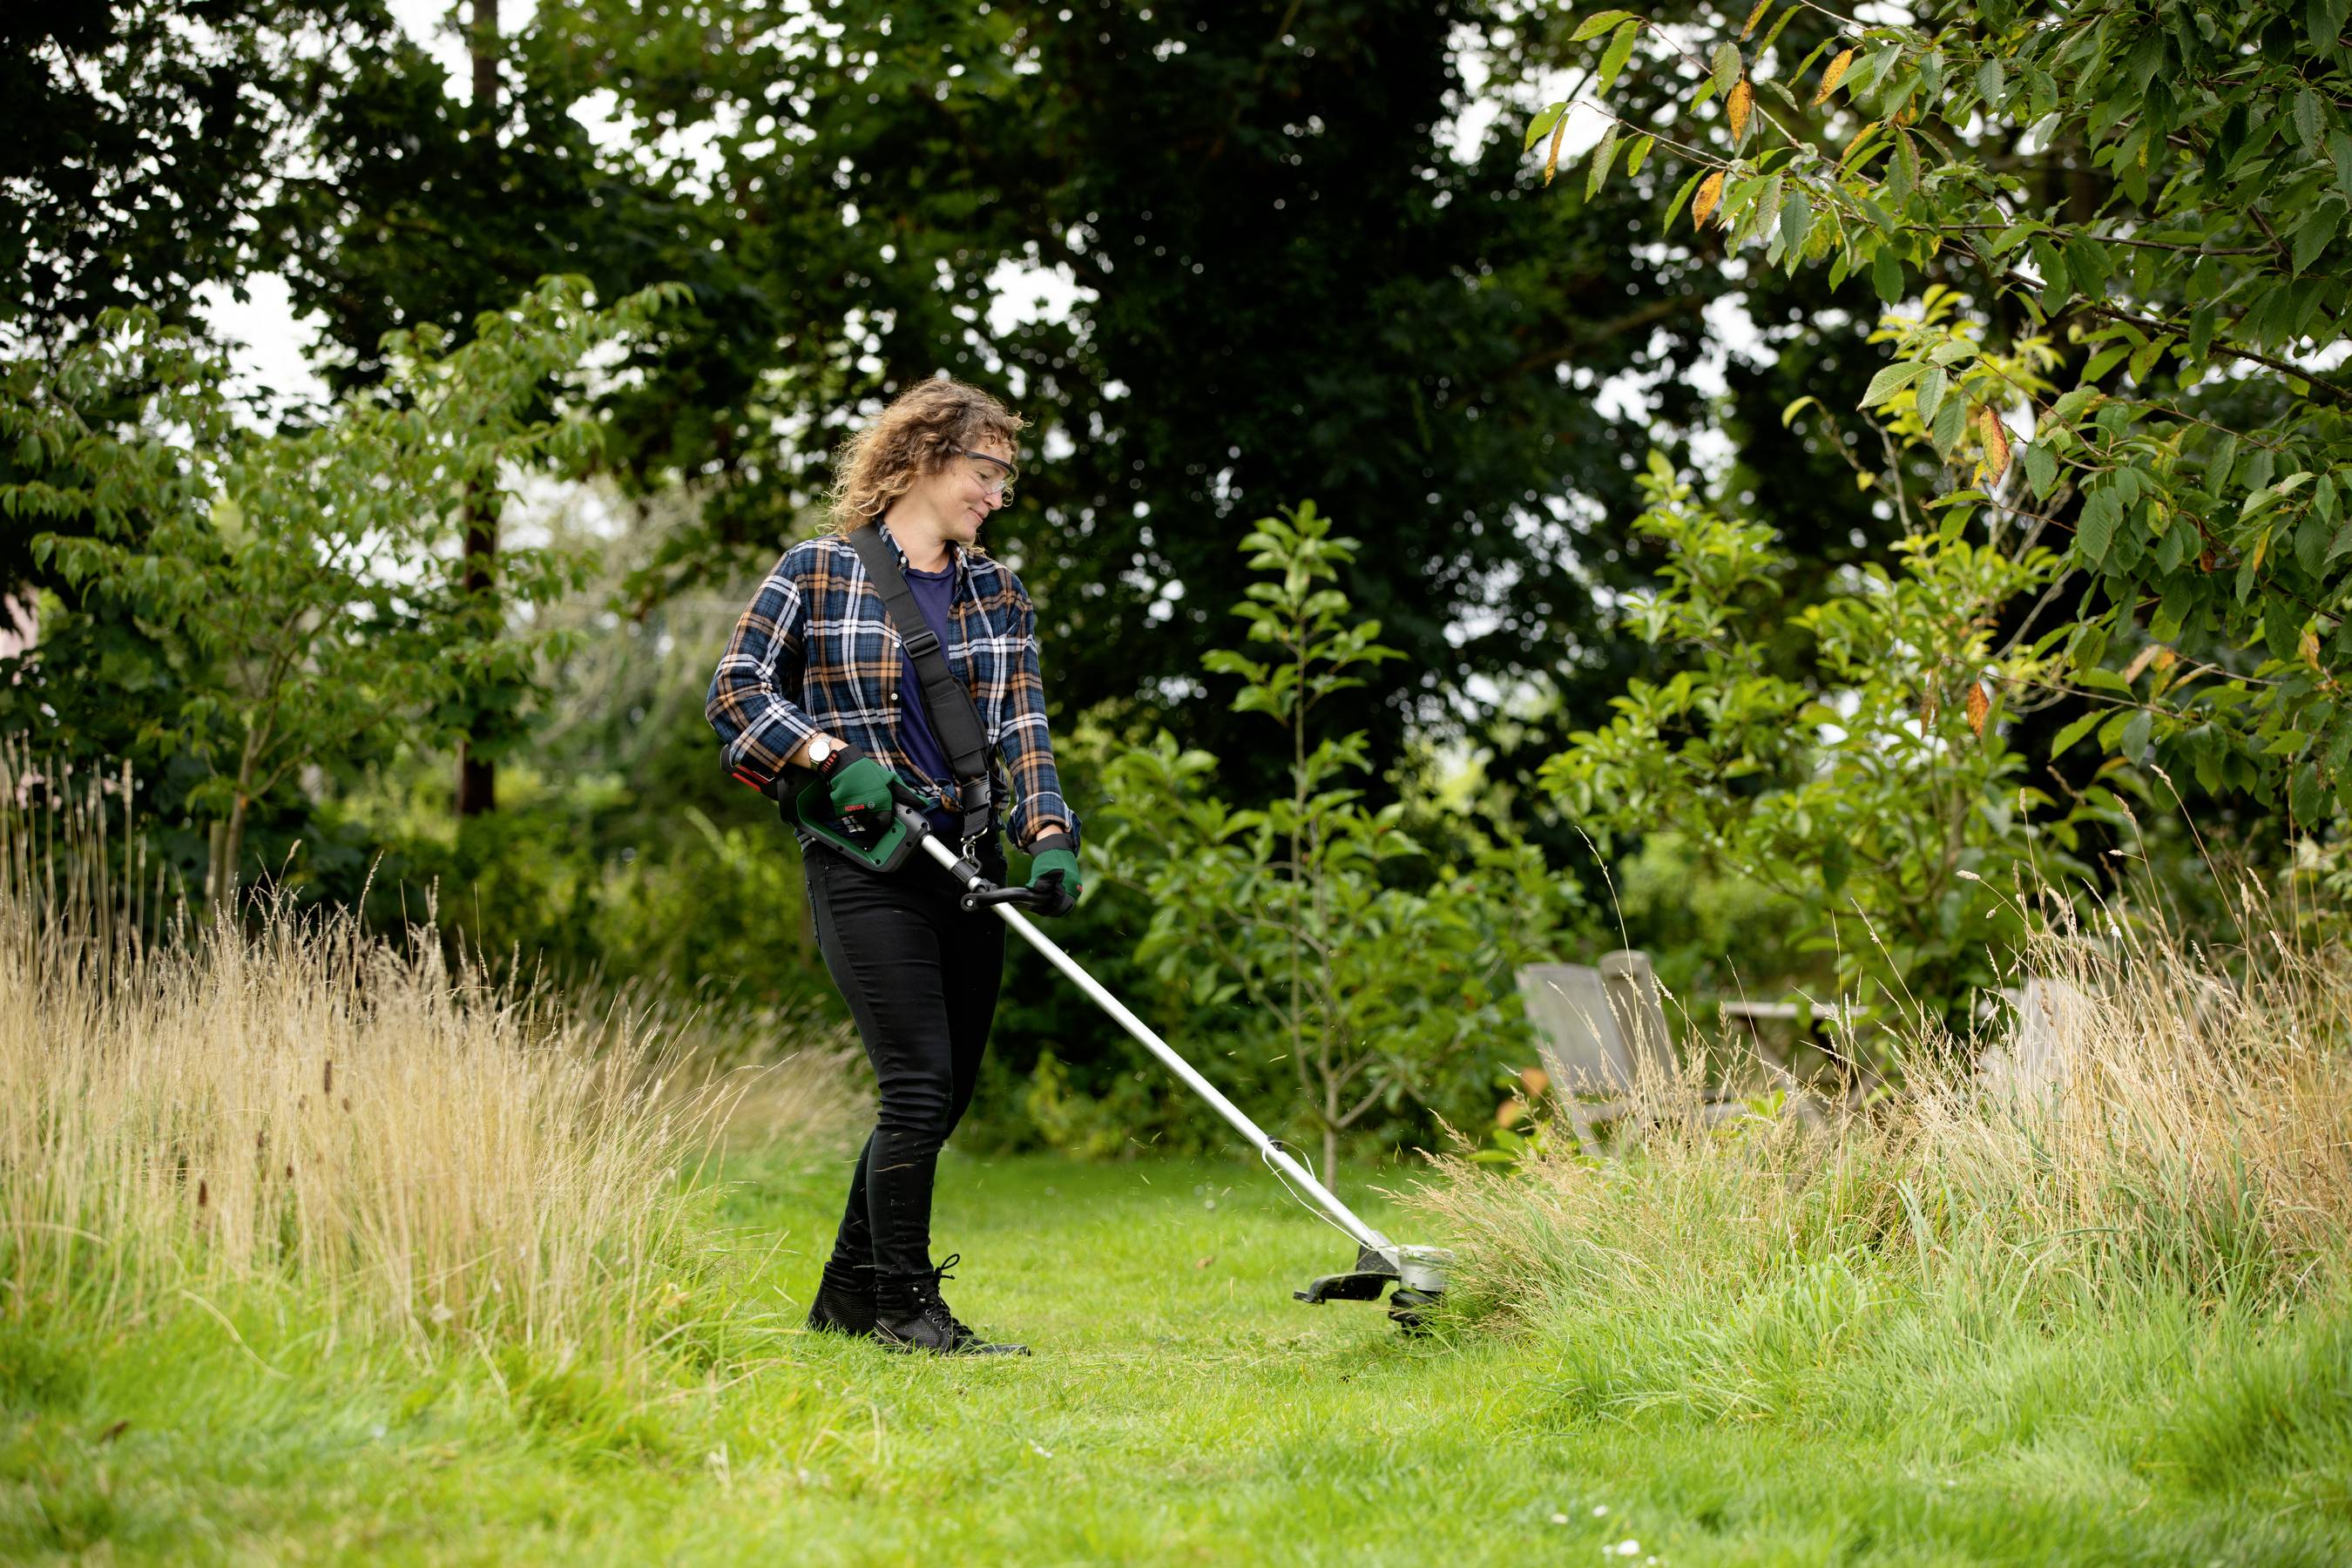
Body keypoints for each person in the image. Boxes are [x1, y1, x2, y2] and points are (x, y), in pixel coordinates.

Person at [706, 378, 1080, 1357]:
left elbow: (1023, 728)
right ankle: (909, 1310)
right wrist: (829, 756)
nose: (997, 493)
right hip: (867, 858)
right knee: (915, 1085)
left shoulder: (996, 592)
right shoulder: (819, 572)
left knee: (945, 1094)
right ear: (918, 460)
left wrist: (1047, 836)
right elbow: (736, 691)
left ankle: (846, 1297)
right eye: (983, 470)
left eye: (1006, 475)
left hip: (968, 860)